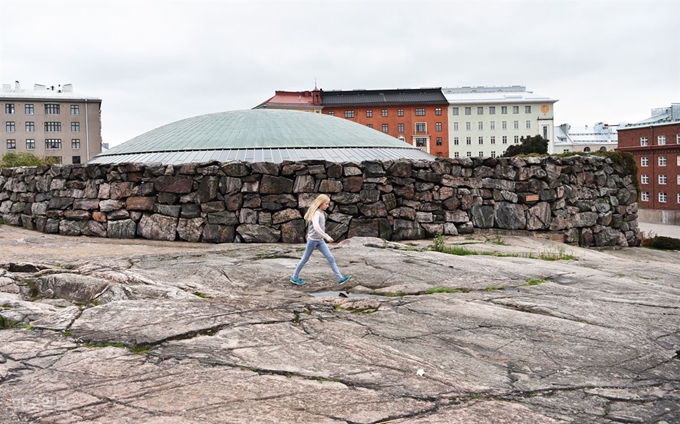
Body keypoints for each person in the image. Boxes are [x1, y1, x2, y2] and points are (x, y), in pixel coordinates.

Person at [290, 194, 352, 286]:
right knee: (305, 259)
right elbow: (316, 227)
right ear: (320, 203)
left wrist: (316, 235)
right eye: (326, 204)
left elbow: (312, 227)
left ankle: (340, 278)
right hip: (313, 240)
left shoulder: (321, 212)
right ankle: (294, 277)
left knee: (330, 258)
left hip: (319, 240)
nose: (328, 206)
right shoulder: (317, 213)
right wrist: (326, 236)